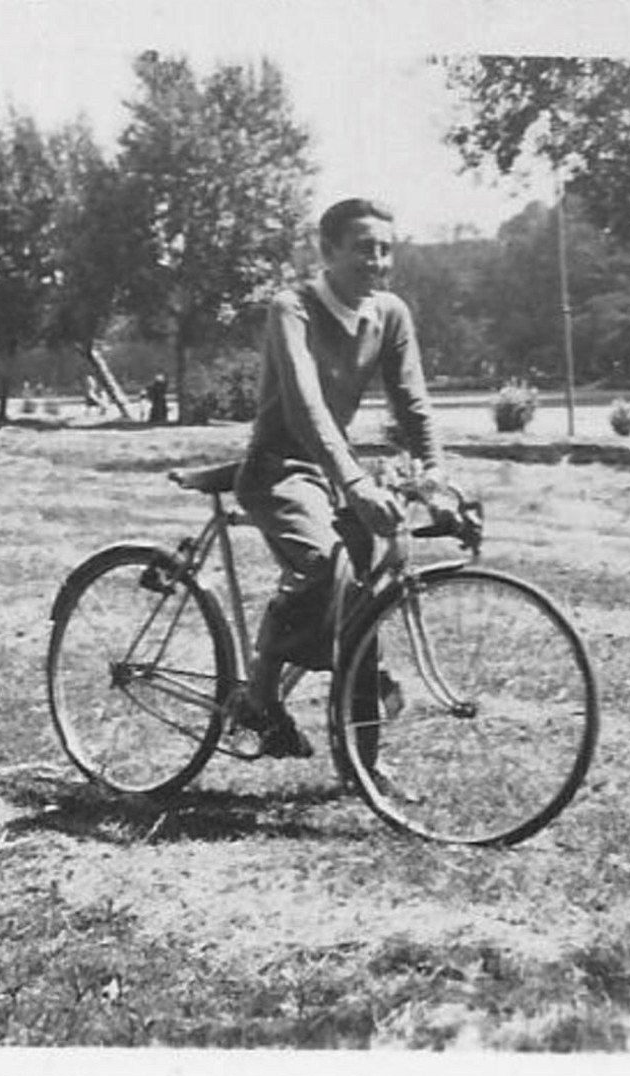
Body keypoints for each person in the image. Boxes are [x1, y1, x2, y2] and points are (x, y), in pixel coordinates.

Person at [232, 197, 442, 758]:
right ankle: (258, 693)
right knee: (330, 568)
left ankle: (361, 767)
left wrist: (436, 478)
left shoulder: (389, 313)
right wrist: (355, 485)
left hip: (335, 469)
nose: (377, 262)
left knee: (366, 597)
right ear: (327, 252)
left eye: (385, 250)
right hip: (279, 469)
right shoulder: (291, 307)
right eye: (363, 250)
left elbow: (413, 405)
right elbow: (305, 410)